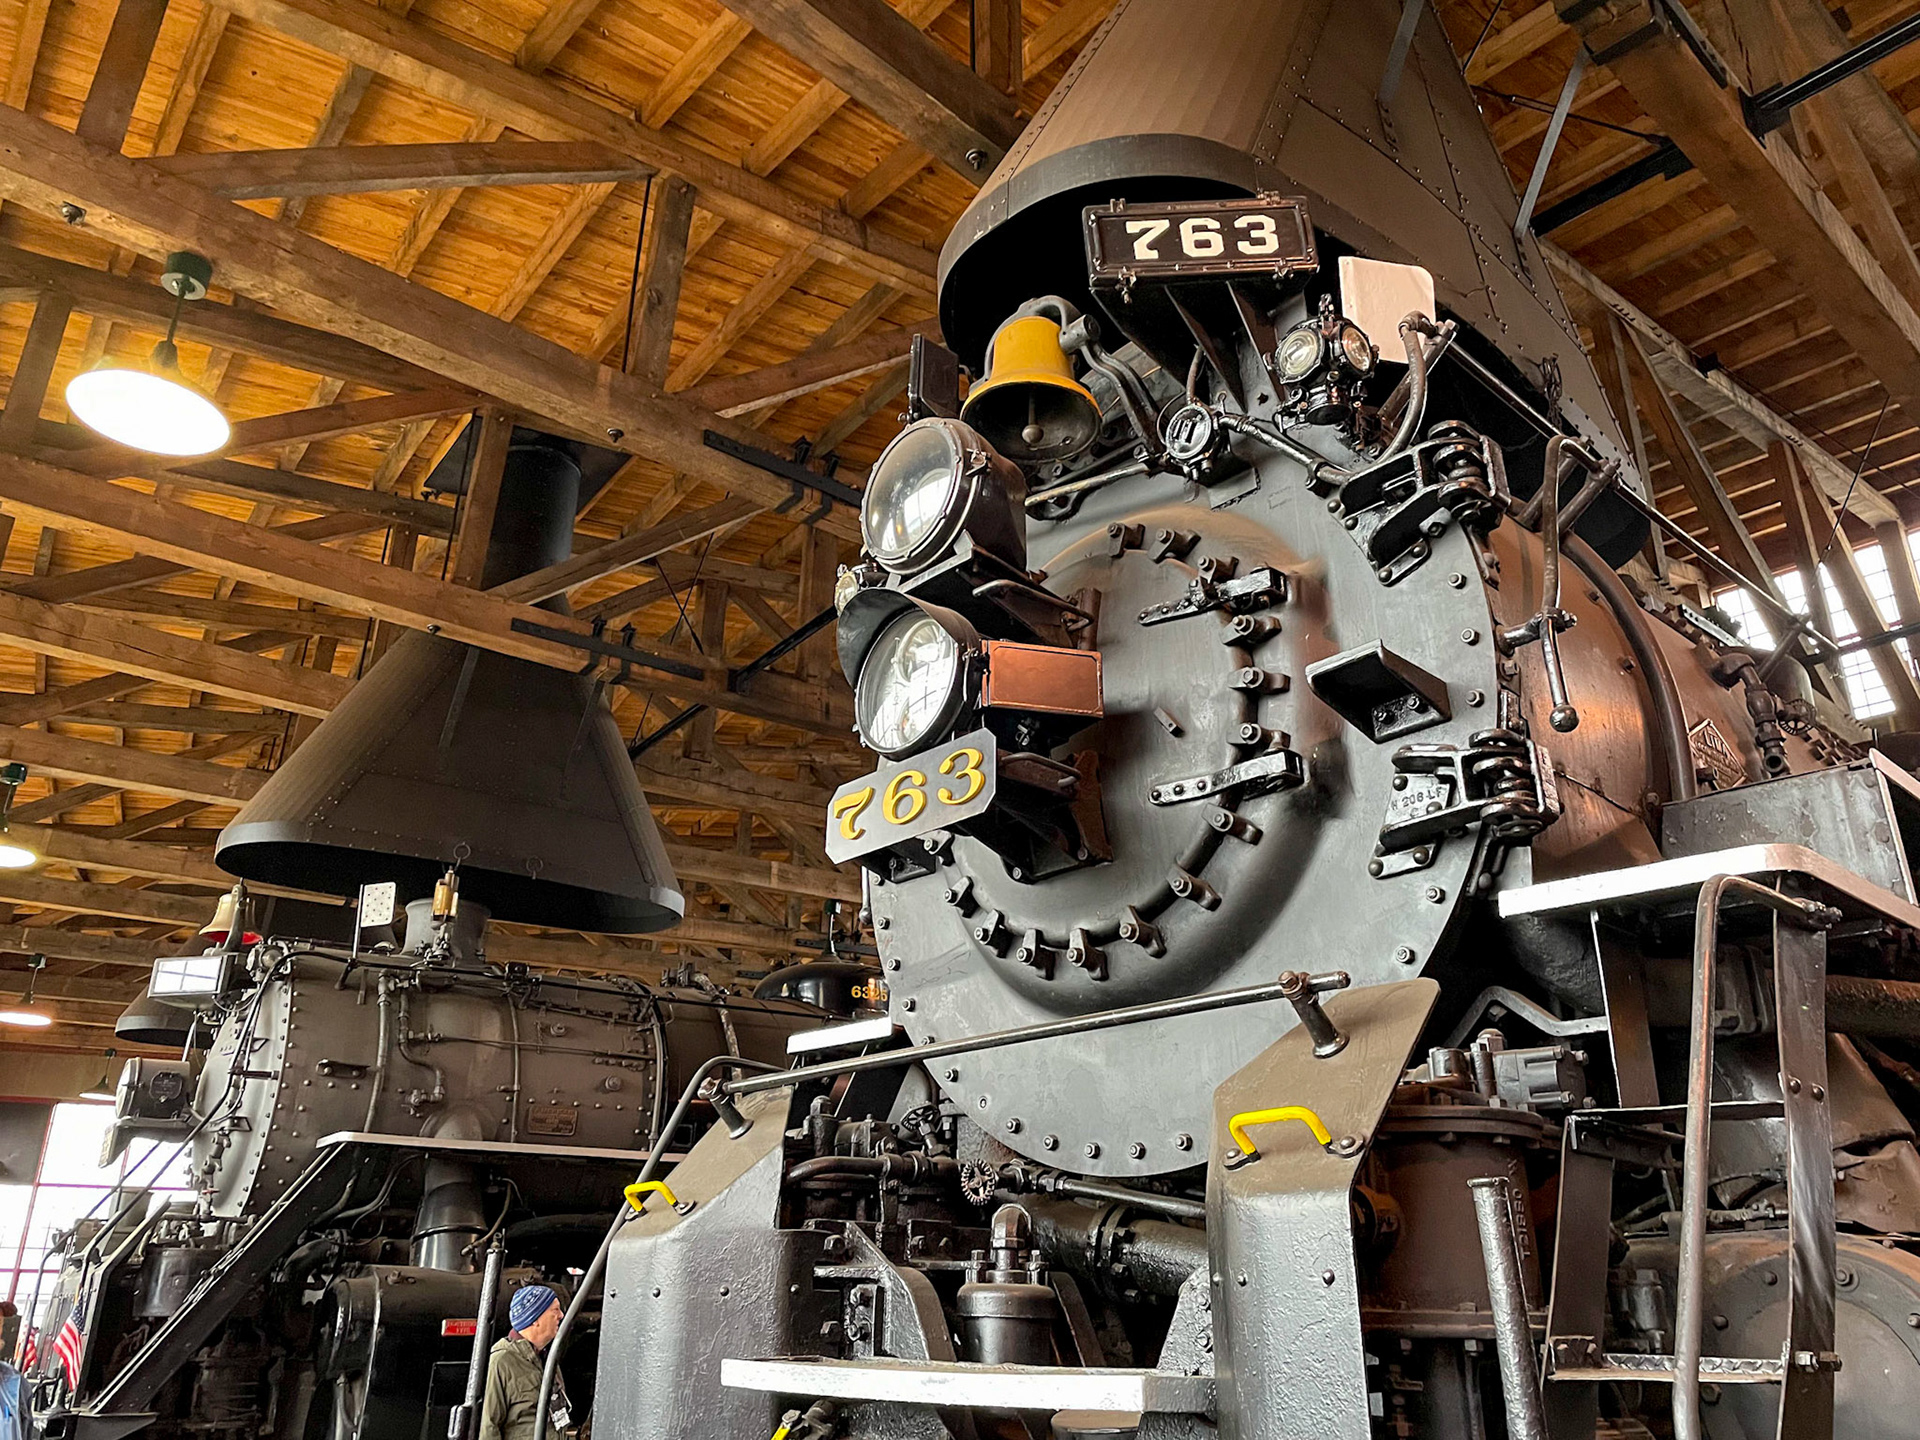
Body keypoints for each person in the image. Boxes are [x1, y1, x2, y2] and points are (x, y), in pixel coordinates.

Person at [479, 1284, 572, 1440]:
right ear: (535, 1319)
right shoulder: (502, 1361)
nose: (561, 1315)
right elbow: (488, 1426)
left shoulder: (547, 1358)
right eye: (555, 1310)